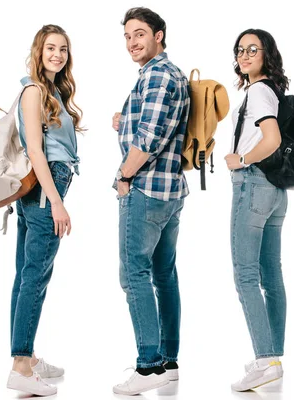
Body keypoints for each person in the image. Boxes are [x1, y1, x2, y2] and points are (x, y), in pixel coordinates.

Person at [111, 7, 190, 396]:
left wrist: (123, 176)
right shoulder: (165, 74)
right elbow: (151, 124)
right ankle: (169, 362)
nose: (132, 42)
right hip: (171, 192)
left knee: (134, 276)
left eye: (140, 34)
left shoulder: (158, 74)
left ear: (159, 35)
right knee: (163, 275)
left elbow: (148, 139)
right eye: (127, 36)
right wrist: (123, 120)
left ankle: (148, 367)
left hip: (145, 190)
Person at [6, 24, 83, 396]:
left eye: (63, 49)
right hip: (44, 188)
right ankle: (21, 366)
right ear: (38, 52)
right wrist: (56, 202)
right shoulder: (34, 91)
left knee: (26, 275)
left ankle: (27, 358)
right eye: (50, 48)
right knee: (35, 276)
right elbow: (36, 151)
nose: (57, 54)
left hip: (41, 186)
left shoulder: (51, 91)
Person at [224, 28, 289, 392]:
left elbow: (273, 138)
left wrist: (241, 159)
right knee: (271, 275)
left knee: (246, 275)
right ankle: (273, 357)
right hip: (276, 191)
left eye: (253, 49)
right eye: (240, 50)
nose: (245, 55)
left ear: (267, 54)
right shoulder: (269, 90)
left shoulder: (259, 92)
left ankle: (265, 360)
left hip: (252, 184)